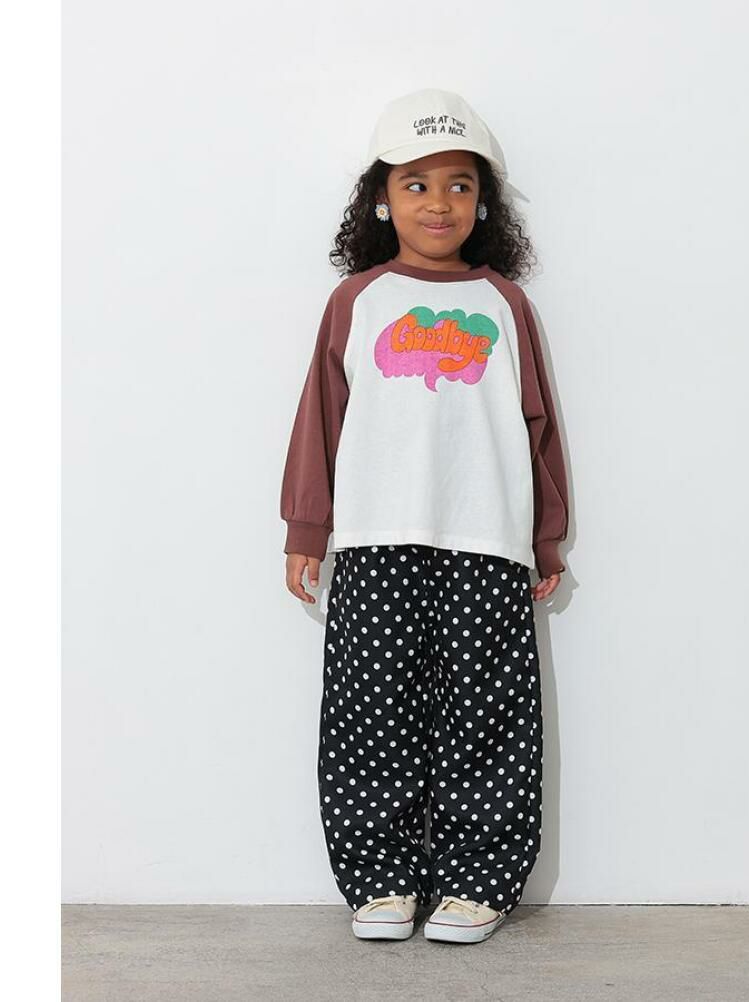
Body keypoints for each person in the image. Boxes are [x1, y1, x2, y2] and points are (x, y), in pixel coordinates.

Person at [279, 88, 570, 944]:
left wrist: (545, 538)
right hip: (375, 537)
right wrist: (307, 528)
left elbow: (538, 425)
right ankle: (381, 883)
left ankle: (477, 883)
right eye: (415, 184)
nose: (438, 203)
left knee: (486, 716)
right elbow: (320, 418)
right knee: (372, 714)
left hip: (486, 540)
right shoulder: (358, 300)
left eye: (458, 185)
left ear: (483, 204)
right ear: (381, 198)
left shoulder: (504, 304)